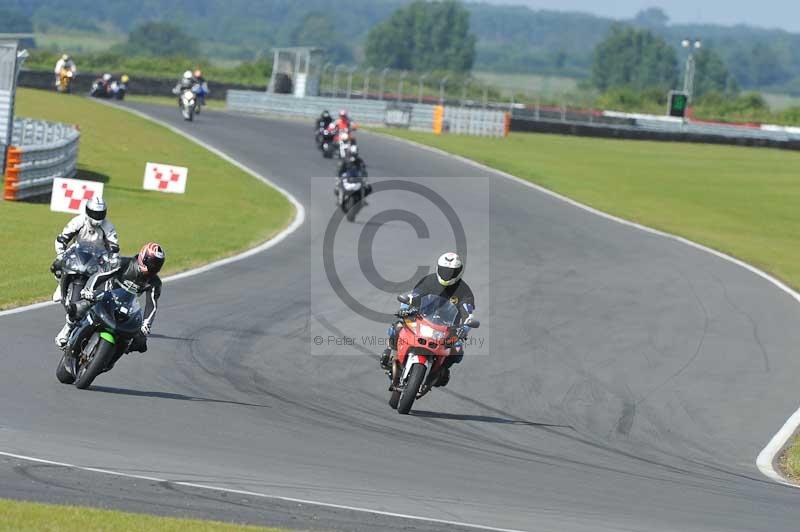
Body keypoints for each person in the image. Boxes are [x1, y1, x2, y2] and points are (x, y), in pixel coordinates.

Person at [379, 252, 476, 387]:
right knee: (398, 327)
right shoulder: (429, 281)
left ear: (458, 272)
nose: (447, 274)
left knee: (457, 350)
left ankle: (440, 372)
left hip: (447, 328)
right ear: (438, 268)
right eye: (444, 270)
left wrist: (465, 328)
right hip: (421, 318)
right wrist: (405, 307)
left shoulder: (464, 291)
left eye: (451, 272)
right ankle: (390, 352)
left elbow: (468, 313)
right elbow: (414, 296)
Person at [67, 242, 165, 362]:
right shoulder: (124, 263)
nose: (153, 266)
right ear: (143, 257)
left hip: (126, 307)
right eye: (152, 262)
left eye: (157, 264)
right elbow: (101, 276)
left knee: (141, 342)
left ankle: (111, 356)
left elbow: (152, 305)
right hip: (104, 296)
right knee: (76, 308)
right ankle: (68, 331)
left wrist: (146, 326)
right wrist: (89, 291)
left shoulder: (155, 283)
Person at [52, 197, 120, 348]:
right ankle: (60, 284)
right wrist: (61, 254)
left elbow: (114, 247)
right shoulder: (78, 221)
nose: (97, 217)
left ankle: (71, 327)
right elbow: (62, 239)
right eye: (94, 213)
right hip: (77, 253)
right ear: (87, 211)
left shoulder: (108, 226)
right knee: (56, 266)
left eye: (100, 213)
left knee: (102, 290)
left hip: (98, 260)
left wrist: (113, 259)